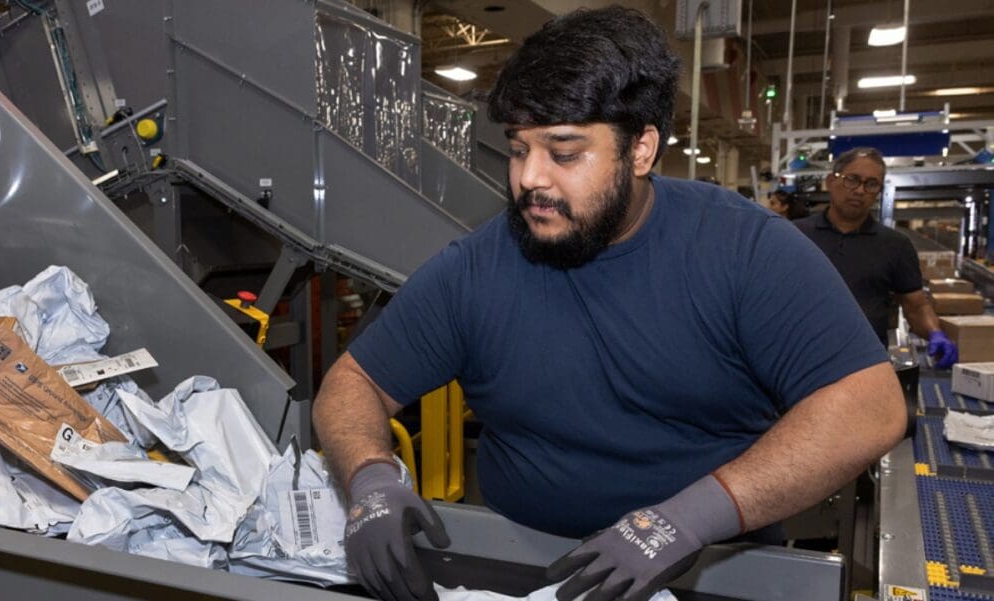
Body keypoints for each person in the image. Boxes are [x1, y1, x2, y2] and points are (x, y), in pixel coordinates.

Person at [312, 8, 906, 601]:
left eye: (564, 152)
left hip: (711, 569)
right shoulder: (476, 269)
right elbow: (353, 383)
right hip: (525, 569)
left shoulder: (742, 250)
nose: (529, 178)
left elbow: (869, 407)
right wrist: (371, 478)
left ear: (641, 149)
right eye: (519, 150)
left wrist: (688, 520)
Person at [795, 147, 958, 367]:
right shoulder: (795, 235)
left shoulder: (896, 245)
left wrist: (935, 333)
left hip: (865, 366)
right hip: (800, 360)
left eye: (871, 184)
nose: (860, 190)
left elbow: (916, 307)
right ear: (831, 181)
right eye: (852, 179)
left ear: (879, 192)